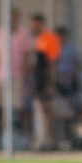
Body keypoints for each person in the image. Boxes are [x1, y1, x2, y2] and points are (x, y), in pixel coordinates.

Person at [0, 8, 31, 137]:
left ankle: (23, 134)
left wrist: (25, 74)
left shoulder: (23, 34)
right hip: (1, 75)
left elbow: (26, 55)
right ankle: (2, 135)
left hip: (17, 75)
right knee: (1, 107)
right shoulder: (0, 32)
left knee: (19, 107)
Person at [30, 13, 59, 149]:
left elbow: (51, 63)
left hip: (45, 79)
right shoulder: (37, 39)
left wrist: (50, 82)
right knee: (40, 110)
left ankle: (51, 139)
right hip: (39, 79)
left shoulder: (49, 38)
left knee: (47, 110)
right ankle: (43, 139)